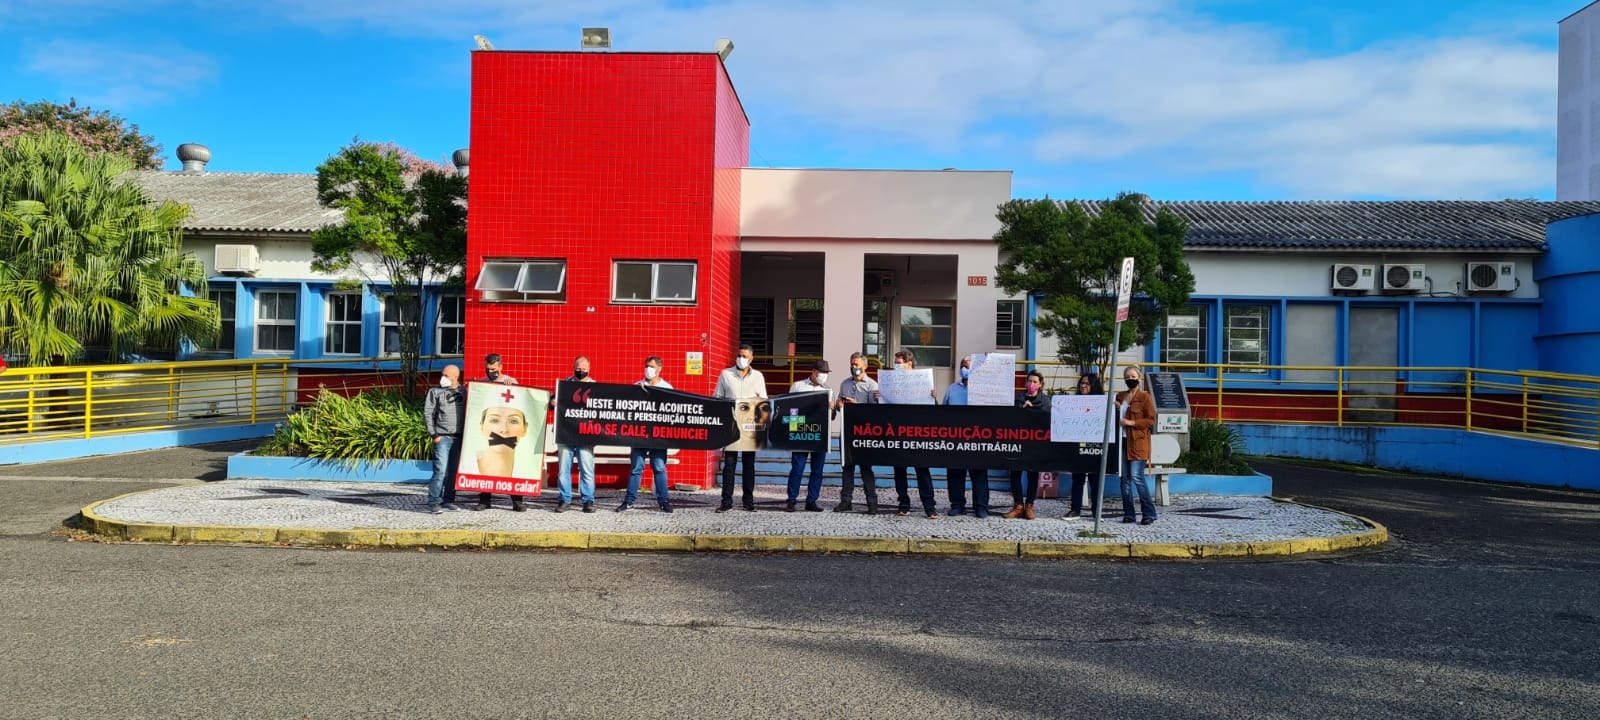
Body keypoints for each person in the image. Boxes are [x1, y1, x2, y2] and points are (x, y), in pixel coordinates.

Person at [715, 344, 767, 512]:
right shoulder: (726, 374)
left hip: (751, 427)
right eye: (739, 355)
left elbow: (764, 400)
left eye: (745, 356)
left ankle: (748, 501)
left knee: (749, 465)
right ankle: (726, 501)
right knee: (729, 465)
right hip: (731, 426)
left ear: (751, 359)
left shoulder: (758, 376)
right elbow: (717, 398)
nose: (741, 359)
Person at [888, 349, 940, 519]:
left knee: (922, 471)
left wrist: (933, 398)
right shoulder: (891, 384)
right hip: (898, 433)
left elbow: (933, 411)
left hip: (918, 435)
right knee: (899, 471)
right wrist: (881, 396)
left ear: (909, 364)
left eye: (898, 364)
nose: (896, 367)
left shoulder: (922, 382)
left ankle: (929, 506)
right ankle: (903, 503)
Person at [619, 356, 674, 513]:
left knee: (659, 467)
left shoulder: (667, 388)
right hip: (639, 435)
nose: (648, 369)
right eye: (646, 366)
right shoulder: (637, 386)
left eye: (651, 366)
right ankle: (629, 501)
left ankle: (663, 501)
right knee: (636, 468)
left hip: (658, 436)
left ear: (659, 369)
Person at [942, 354, 992, 518]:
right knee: (955, 473)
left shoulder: (985, 389)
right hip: (955, 438)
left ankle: (981, 506)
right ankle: (957, 504)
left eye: (968, 366)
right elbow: (943, 410)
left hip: (978, 438)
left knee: (979, 474)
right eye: (963, 366)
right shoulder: (952, 389)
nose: (965, 369)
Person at [473, 352, 523, 511]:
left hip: (506, 431)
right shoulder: (483, 382)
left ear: (500, 367)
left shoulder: (511, 381)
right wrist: (474, 389)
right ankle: (484, 500)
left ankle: (517, 500)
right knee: (487, 464)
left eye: (494, 369)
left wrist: (513, 388)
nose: (491, 372)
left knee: (510, 466)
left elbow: (520, 402)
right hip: (490, 431)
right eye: (488, 369)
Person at [833, 352, 881, 514]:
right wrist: (839, 404)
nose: (854, 367)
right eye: (852, 364)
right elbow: (840, 404)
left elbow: (875, 412)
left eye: (857, 365)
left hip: (864, 433)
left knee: (866, 468)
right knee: (847, 467)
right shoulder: (845, 383)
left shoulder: (872, 385)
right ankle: (846, 501)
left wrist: (857, 405)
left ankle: (872, 502)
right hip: (846, 431)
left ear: (865, 366)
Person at [785, 360, 834, 512]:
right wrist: (794, 429)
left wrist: (831, 409)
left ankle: (811, 500)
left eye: (826, 373)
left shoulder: (828, 390)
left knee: (817, 470)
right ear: (813, 372)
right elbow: (789, 409)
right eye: (821, 372)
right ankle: (791, 500)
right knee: (797, 469)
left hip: (819, 435)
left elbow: (831, 417)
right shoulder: (798, 386)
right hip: (801, 433)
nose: (824, 376)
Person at [1004, 369, 1050, 520]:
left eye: (1035, 382)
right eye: (1029, 381)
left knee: (1033, 474)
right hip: (1018, 440)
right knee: (1015, 472)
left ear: (1040, 385)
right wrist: (1022, 411)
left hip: (1036, 443)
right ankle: (1018, 505)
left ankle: (1029, 505)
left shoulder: (1045, 401)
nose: (1031, 384)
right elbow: (1010, 418)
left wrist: (1034, 411)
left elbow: (1047, 418)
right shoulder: (1018, 399)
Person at [554, 356, 597, 513]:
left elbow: (601, 413)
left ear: (589, 368)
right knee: (563, 470)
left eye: (584, 368)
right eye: (578, 368)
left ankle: (588, 501)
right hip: (566, 434)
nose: (581, 371)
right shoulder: (565, 385)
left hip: (586, 436)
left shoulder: (596, 387)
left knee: (586, 469)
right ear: (573, 367)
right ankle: (565, 500)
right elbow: (553, 400)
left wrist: (596, 436)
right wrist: (553, 402)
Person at [1117, 364, 1158, 525]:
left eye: (1133, 377)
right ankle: (1129, 513)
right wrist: (1116, 408)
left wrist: (1131, 422)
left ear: (1139, 378)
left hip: (1138, 442)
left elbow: (1150, 420)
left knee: (1136, 477)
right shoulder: (1120, 396)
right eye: (1128, 377)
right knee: (1124, 479)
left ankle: (1149, 512)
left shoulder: (1145, 397)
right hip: (1122, 441)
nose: (1130, 379)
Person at [422, 364, 465, 514]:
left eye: (446, 375)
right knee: (440, 470)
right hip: (443, 437)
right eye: (442, 374)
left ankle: (449, 500)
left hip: (458, 438)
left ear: (455, 377)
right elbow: (428, 413)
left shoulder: (464, 391)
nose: (443, 378)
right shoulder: (435, 392)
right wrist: (434, 435)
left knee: (453, 471)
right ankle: (434, 501)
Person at [471, 404, 530, 511]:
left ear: (525, 428)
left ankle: (517, 500)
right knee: (486, 471)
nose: (503, 430)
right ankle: (484, 499)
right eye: (494, 420)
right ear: (481, 425)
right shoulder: (470, 462)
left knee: (514, 472)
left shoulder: (527, 462)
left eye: (513, 421)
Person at [1065, 372, 1105, 519]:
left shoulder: (1102, 403)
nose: (1083, 386)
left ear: (1093, 386)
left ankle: (1097, 511)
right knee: (1077, 479)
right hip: (1078, 446)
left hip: (1095, 445)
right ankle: (1075, 509)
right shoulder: (1074, 402)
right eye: (1081, 383)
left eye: (1086, 384)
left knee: (1095, 480)